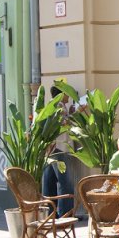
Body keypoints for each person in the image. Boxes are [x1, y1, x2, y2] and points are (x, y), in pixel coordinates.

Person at [41, 86, 76, 217]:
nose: (69, 96)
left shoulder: (53, 105)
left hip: (52, 149)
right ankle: (66, 214)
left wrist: (70, 114)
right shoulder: (58, 106)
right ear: (61, 94)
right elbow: (64, 124)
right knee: (65, 182)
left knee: (49, 182)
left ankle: (50, 214)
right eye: (67, 93)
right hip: (60, 148)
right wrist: (76, 114)